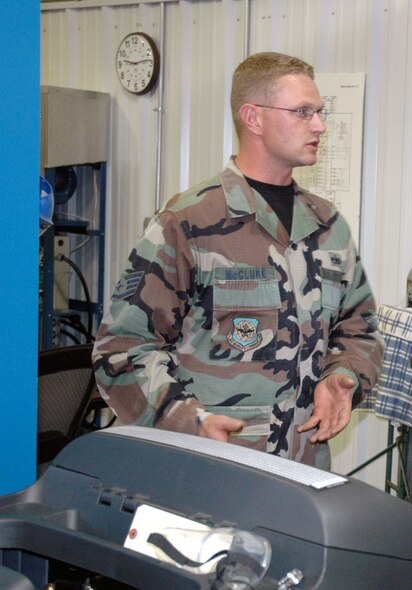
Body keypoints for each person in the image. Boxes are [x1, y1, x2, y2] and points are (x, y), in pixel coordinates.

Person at [92, 52, 383, 470]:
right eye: (303, 112)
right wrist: (188, 422)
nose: (319, 125)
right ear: (254, 118)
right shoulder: (190, 220)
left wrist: (344, 378)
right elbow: (122, 348)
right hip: (210, 472)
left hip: (303, 469)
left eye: (320, 112)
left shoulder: (327, 224)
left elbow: (360, 329)